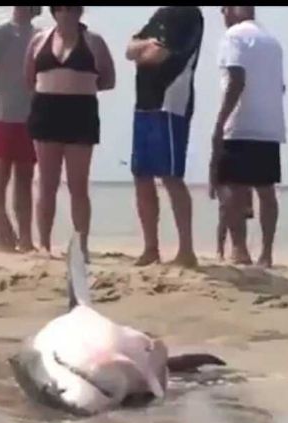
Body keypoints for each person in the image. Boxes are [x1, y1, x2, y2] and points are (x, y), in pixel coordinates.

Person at [25, 6, 115, 261]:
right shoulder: (39, 40)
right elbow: (29, 78)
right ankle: (43, 244)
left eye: (72, 8)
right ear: (54, 11)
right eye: (61, 8)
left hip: (80, 112)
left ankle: (81, 245)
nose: (67, 13)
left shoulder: (94, 42)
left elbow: (108, 79)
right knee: (46, 182)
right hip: (46, 110)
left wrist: (79, 84)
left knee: (78, 184)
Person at [125, 6, 203, 268]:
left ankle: (186, 251)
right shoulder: (161, 15)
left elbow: (156, 56)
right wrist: (147, 45)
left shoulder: (188, 15)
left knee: (171, 177)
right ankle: (150, 248)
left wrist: (146, 49)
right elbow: (130, 50)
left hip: (170, 103)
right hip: (144, 103)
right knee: (141, 174)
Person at [210, 6, 286, 268]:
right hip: (270, 124)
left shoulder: (234, 37)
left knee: (230, 185)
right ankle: (266, 254)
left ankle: (240, 250)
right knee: (266, 190)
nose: (222, 14)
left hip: (240, 122)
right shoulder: (272, 42)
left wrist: (220, 122)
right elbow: (281, 86)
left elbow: (236, 79)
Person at [0, 6, 42, 253]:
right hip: (3, 115)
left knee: (24, 180)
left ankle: (25, 239)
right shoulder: (1, 31)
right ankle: (0, 238)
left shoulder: (39, 34)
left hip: (29, 117)